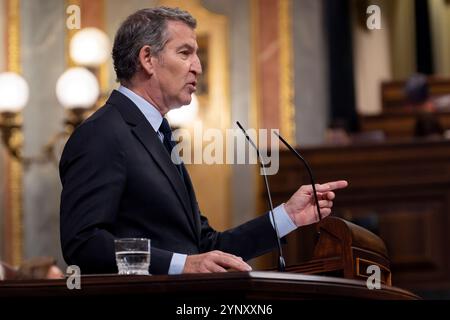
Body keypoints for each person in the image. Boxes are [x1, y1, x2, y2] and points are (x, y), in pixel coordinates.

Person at [59, 7, 348, 275]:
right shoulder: (102, 133)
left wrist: (287, 217)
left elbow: (204, 247)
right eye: (185, 53)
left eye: (196, 54)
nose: (197, 66)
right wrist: (178, 264)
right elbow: (85, 243)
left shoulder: (160, 136)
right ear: (147, 59)